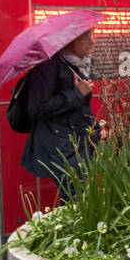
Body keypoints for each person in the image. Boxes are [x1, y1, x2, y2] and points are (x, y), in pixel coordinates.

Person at [20, 29, 96, 198]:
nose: (92, 42)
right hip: (60, 144)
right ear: (70, 42)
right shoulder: (48, 67)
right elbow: (37, 108)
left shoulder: (75, 65)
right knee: (75, 197)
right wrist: (76, 93)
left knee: (79, 196)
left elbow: (79, 110)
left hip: (74, 141)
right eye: (87, 38)